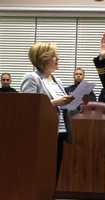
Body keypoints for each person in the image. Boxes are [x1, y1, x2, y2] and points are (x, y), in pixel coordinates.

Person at [20, 42, 74, 183]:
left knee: (54, 174)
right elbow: (28, 108)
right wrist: (57, 102)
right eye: (54, 56)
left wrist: (72, 102)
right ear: (43, 59)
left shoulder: (57, 80)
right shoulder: (32, 77)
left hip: (60, 132)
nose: (58, 59)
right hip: (42, 133)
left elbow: (62, 106)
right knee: (40, 174)